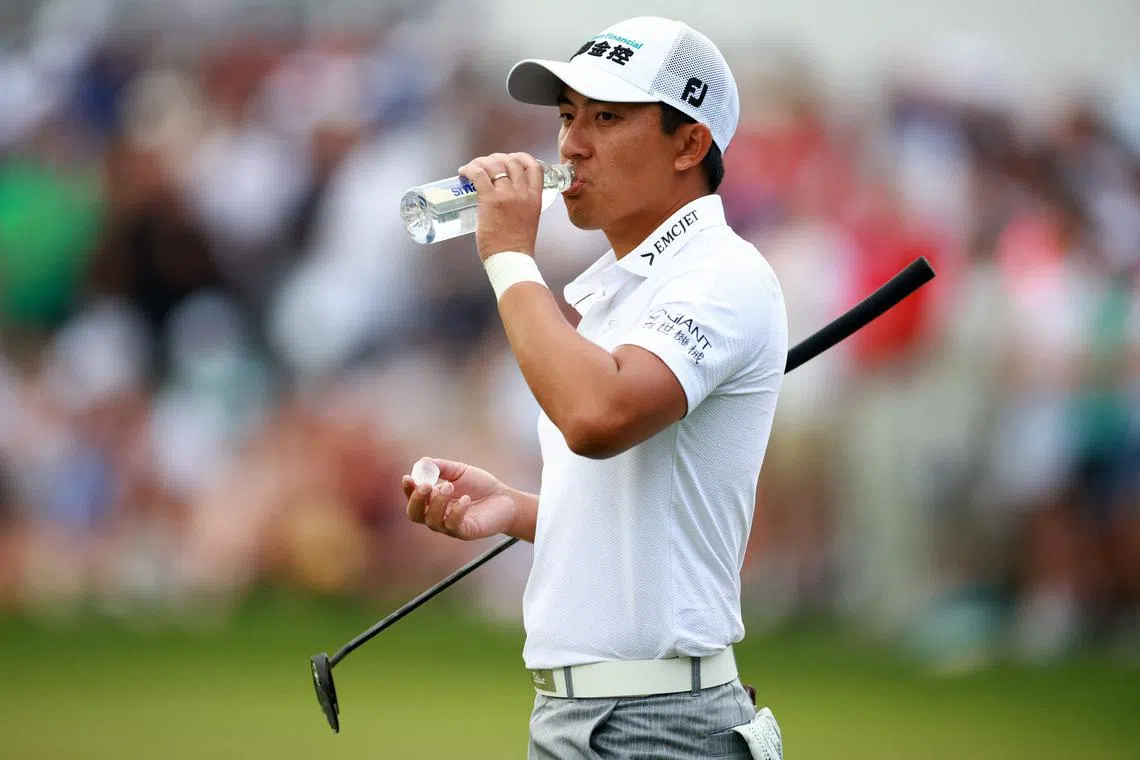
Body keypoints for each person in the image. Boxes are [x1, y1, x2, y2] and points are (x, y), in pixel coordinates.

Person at [402, 16, 788, 759]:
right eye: (568, 117)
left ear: (690, 143)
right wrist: (513, 510)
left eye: (607, 117)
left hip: (662, 725)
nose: (572, 144)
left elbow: (596, 416)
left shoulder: (723, 273)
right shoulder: (620, 293)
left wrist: (510, 257)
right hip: (571, 720)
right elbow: (646, 525)